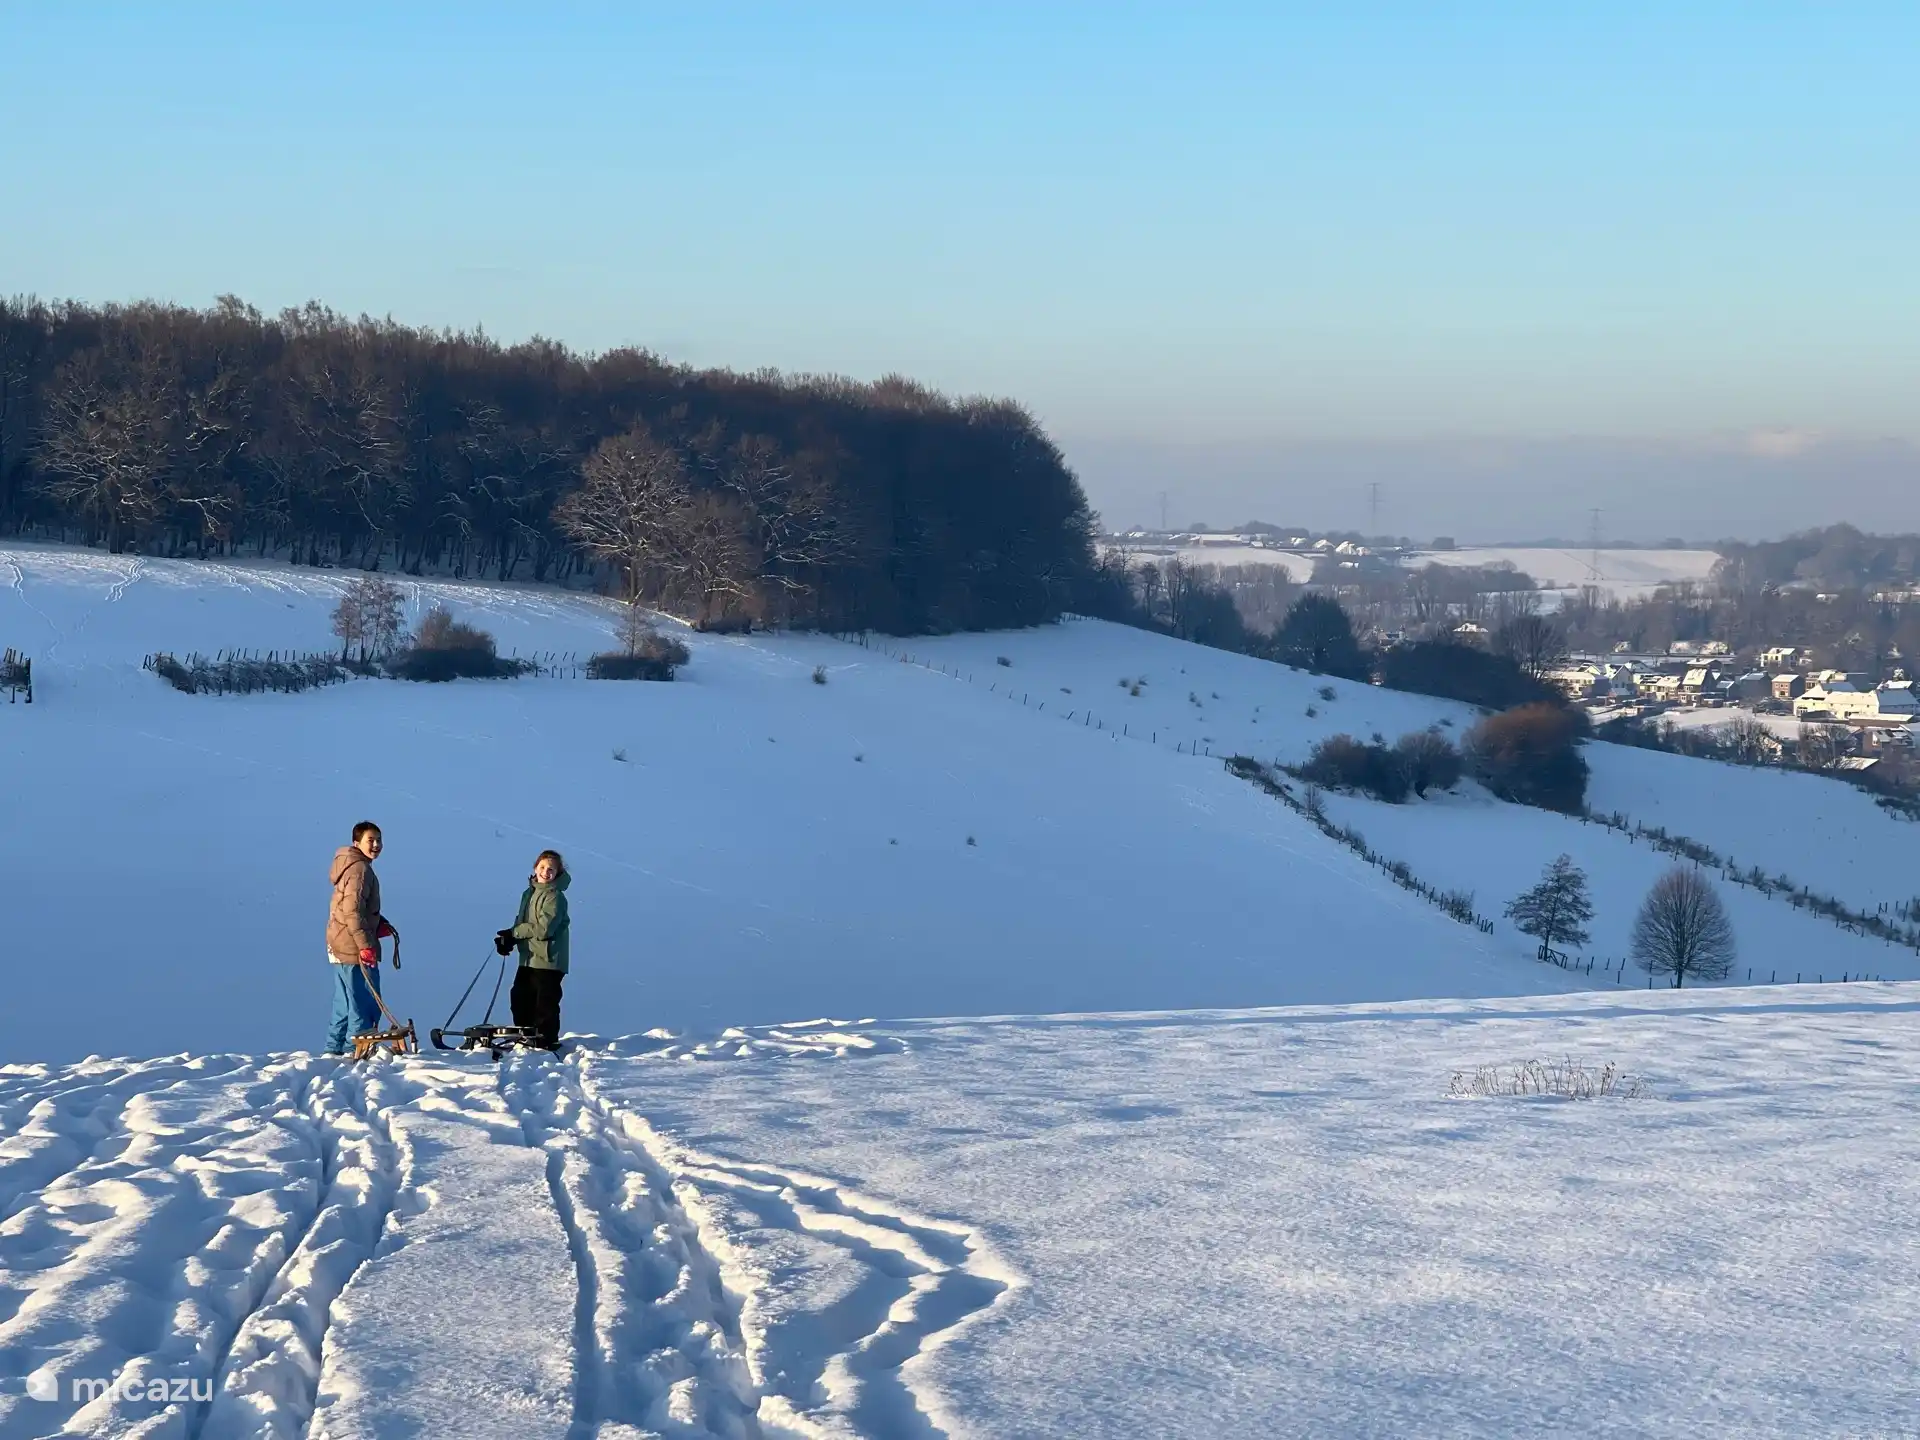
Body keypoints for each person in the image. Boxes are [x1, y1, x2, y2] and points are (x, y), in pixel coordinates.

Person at [326, 821, 395, 1055]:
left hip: (339, 943)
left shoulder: (351, 866)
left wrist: (378, 923)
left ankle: (335, 1049)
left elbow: (354, 908)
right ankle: (358, 1050)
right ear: (357, 843)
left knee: (344, 1001)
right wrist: (366, 945)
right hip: (352, 946)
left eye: (379, 840)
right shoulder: (360, 870)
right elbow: (352, 911)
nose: (376, 845)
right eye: (370, 840)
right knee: (363, 1001)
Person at [496, 849, 570, 1050]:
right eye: (543, 867)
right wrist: (509, 938)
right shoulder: (528, 894)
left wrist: (515, 933)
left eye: (551, 869)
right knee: (520, 997)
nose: (546, 872)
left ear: (558, 873)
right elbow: (523, 922)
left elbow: (544, 929)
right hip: (528, 957)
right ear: (535, 868)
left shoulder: (555, 897)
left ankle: (545, 1039)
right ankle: (526, 1035)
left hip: (548, 959)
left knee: (544, 1002)